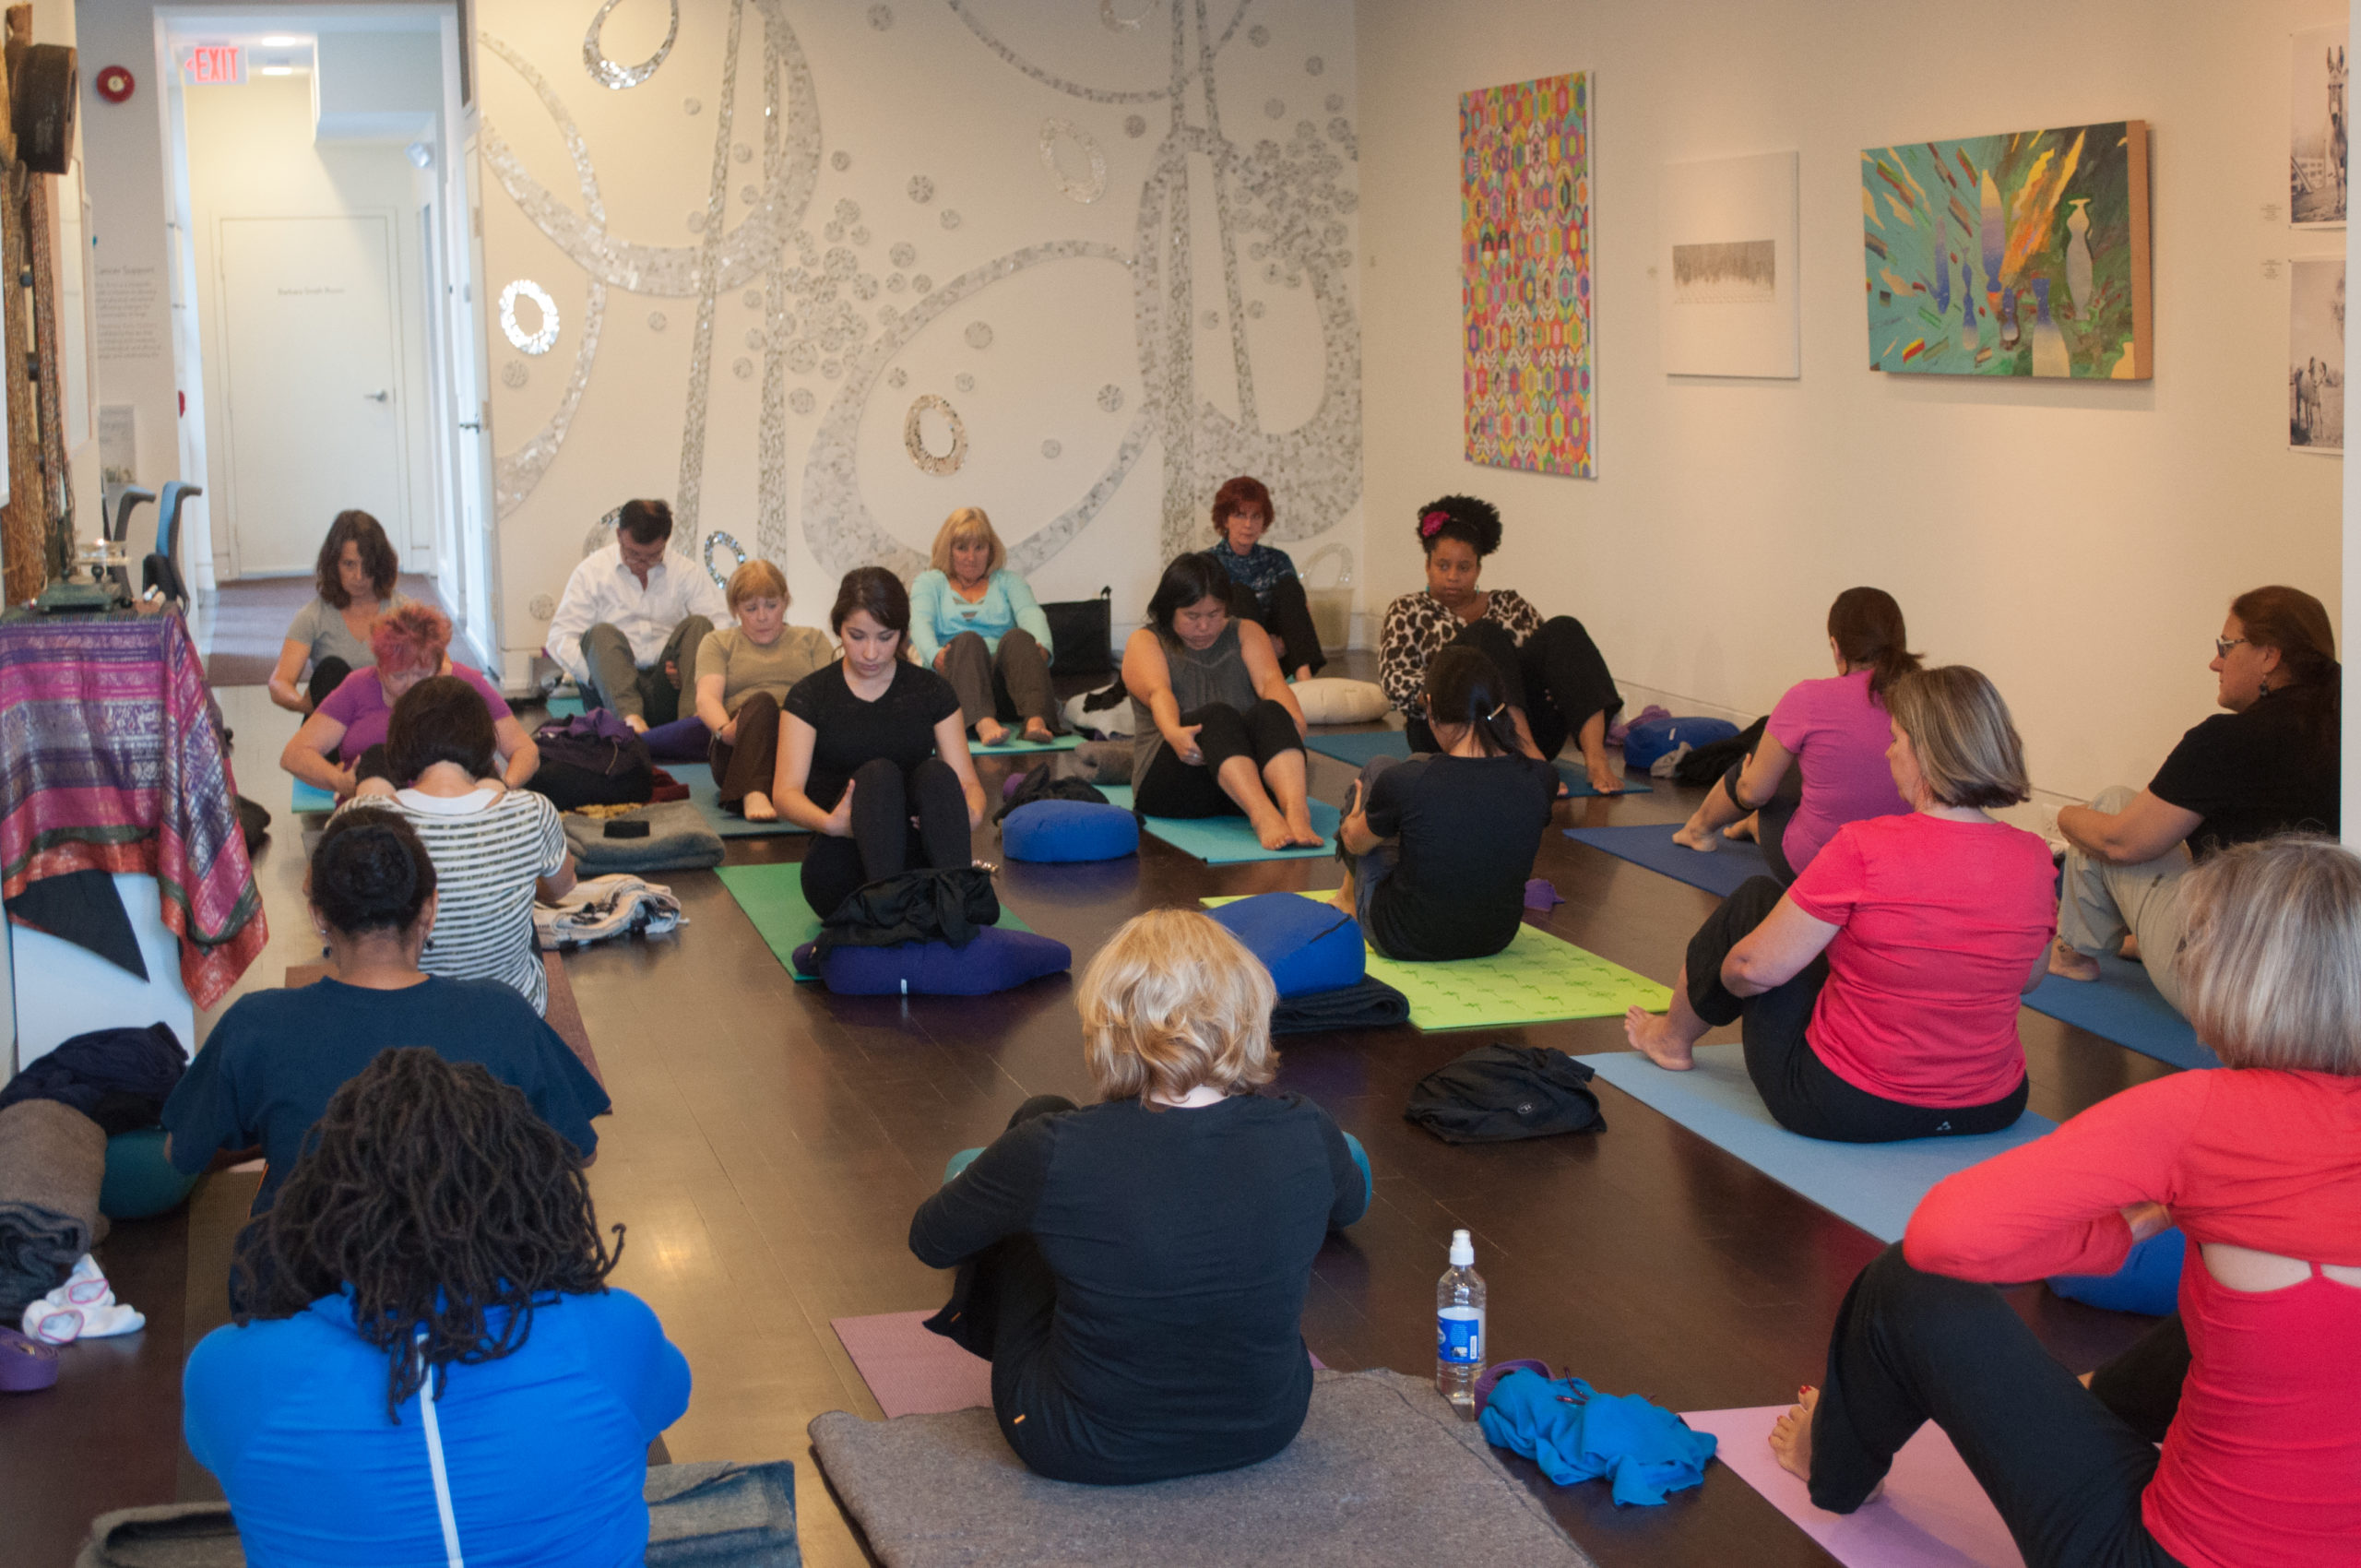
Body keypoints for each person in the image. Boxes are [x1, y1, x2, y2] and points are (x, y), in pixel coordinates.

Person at [1772, 836, 2361, 1568]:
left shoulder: (2204, 1114)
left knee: (1905, 1284)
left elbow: (1943, 1239)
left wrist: (2124, 1232)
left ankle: (1830, 1462)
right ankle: (2104, 1404)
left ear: (2236, 978)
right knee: (2277, 1302)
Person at [908, 909, 1367, 1486]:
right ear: (1249, 1014)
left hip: (1077, 1441)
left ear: (1111, 1025)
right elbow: (1349, 1208)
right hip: (1266, 1427)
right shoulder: (1309, 1128)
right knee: (1048, 1133)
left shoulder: (1051, 1149)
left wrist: (998, 1185)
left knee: (1039, 1134)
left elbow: (931, 1239)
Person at [185, 1048, 685, 1568]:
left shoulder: (225, 1370)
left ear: (324, 1200)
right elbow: (660, 1406)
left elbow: (213, 1450)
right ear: (533, 1190)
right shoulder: (617, 1333)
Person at [1623, 666, 2055, 1143]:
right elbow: (2029, 978)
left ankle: (1669, 1039)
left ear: (1925, 752)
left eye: (1896, 739)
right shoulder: (2035, 857)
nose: (1889, 752)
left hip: (1849, 1105)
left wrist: (1722, 978)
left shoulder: (1864, 845)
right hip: (1991, 1106)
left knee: (1757, 902)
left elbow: (1753, 969)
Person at [161, 809, 607, 1217]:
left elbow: (180, 1153)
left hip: (302, 1291)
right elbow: (581, 1153)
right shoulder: (502, 1012)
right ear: (429, 909)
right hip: (468, 1285)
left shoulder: (255, 1022)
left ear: (319, 915)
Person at [2048, 586, 2340, 1014]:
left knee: (2109, 805)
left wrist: (2066, 817)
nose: (2215, 662)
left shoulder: (2227, 740)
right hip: (2330, 991)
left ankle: (2072, 955)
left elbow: (2120, 842)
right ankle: (2135, 942)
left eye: (2226, 646)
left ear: (2270, 656)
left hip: (2235, 994)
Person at [342, 676, 575, 1016]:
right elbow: (562, 888)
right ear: (484, 741)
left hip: (402, 1015)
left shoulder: (359, 818)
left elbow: (320, 896)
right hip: (511, 1012)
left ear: (400, 740)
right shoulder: (533, 810)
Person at [1377, 494, 1624, 795]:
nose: (1453, 577)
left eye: (1464, 567)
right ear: (1427, 566)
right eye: (1443, 566)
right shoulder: (1407, 610)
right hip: (1451, 733)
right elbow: (1396, 682)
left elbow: (1553, 665)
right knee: (1484, 635)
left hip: (1534, 728)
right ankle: (1525, 755)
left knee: (1564, 628)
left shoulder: (1509, 604)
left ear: (1478, 570)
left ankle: (1596, 759)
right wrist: (1453, 693)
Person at [776, 566, 987, 917]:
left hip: (917, 853)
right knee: (878, 775)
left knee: (936, 776)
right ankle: (889, 908)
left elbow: (967, 784)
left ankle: (955, 901)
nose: (871, 653)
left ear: (903, 634)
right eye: (857, 636)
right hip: (842, 858)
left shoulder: (932, 691)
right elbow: (784, 794)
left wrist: (969, 816)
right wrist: (831, 823)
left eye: (885, 637)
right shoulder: (809, 696)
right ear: (838, 629)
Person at [1671, 588, 1919, 881]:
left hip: (1816, 870)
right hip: (1898, 872)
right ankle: (1747, 825)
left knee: (1762, 763)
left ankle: (1698, 829)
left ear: (1836, 647)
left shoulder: (1808, 697)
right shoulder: (1927, 700)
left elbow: (1754, 792)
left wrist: (1745, 787)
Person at [1330, 647, 1557, 961]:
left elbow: (1355, 844)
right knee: (1417, 774)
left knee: (1379, 768)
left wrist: (1352, 820)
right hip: (1494, 937)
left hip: (1400, 937)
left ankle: (1347, 900)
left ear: (1432, 708)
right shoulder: (1542, 778)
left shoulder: (1406, 780)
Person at [1123, 553, 1322, 850]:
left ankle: (1296, 812)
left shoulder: (1246, 632)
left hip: (1240, 785)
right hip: (1178, 781)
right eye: (1192, 616)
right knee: (1218, 715)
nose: (1204, 626)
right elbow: (1158, 693)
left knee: (1271, 710)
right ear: (1169, 610)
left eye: (1214, 614)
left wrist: (1294, 720)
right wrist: (1174, 732)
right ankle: (1263, 816)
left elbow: (1271, 683)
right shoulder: (1146, 641)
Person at [281, 602, 538, 799]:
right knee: (377, 763)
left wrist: (506, 785)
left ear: (439, 666)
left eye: (421, 674)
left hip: (453, 806)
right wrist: (340, 781)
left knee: (485, 779)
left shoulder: (465, 685)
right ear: (379, 669)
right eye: (399, 676)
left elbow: (525, 750)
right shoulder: (358, 686)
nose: (411, 685)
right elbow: (295, 754)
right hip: (380, 812)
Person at [543, 498, 728, 734]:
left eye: (653, 556)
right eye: (633, 554)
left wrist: (688, 668)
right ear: (619, 535)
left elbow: (722, 628)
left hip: (668, 685)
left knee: (701, 626)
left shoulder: (685, 571)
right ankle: (631, 724)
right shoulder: (591, 572)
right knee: (601, 634)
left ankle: (691, 725)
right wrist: (597, 674)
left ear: (665, 541)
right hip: (612, 688)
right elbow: (560, 638)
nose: (642, 563)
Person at [692, 559, 833, 821]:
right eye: (750, 607)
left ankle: (787, 788)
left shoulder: (812, 640)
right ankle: (753, 790)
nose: (762, 616)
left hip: (797, 744)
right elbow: (706, 697)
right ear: (735, 609)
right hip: (739, 745)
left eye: (771, 605)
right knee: (763, 704)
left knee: (797, 711)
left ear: (786, 601)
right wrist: (724, 730)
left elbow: (831, 697)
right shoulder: (718, 642)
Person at [908, 506, 1059, 748]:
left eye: (979, 547)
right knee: (968, 639)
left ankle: (1035, 721)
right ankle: (983, 722)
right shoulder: (929, 582)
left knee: (1019, 638)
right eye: (962, 548)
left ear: (991, 550)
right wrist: (934, 655)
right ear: (948, 550)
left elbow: (1031, 613)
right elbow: (919, 622)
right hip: (956, 679)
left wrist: (1043, 648)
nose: (971, 557)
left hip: (1007, 686)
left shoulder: (1009, 581)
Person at [266, 510, 406, 715]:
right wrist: (311, 708)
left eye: (367, 566)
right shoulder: (313, 616)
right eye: (349, 565)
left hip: (384, 721)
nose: (359, 576)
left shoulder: (403, 612)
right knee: (332, 669)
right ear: (334, 564)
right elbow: (279, 683)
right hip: (333, 725)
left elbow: (441, 669)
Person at [1206, 476, 1325, 683]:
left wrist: (1283, 644)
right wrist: (1261, 645)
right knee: (1239, 593)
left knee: (1289, 587)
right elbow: (1206, 621)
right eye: (1240, 515)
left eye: (1256, 516)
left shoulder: (1278, 559)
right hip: (1236, 656)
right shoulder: (1208, 562)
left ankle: (1304, 680)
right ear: (1225, 520)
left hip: (1284, 650)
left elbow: (1301, 612)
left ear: (1264, 521)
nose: (1248, 524)